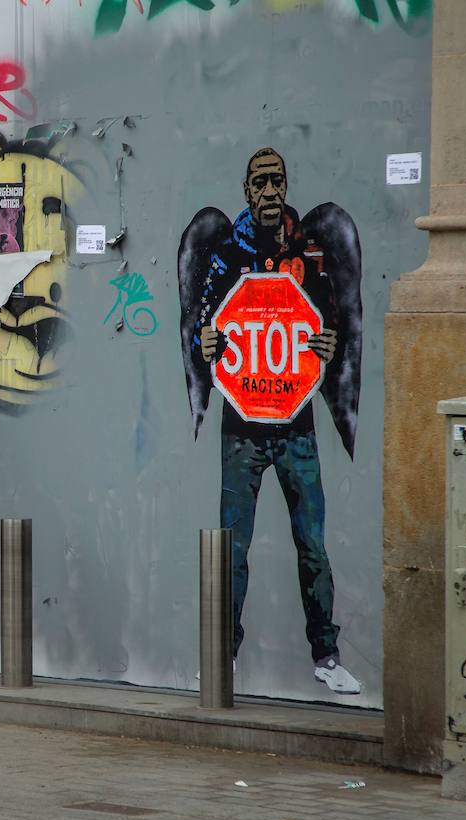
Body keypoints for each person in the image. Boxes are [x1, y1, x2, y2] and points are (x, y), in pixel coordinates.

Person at [177, 148, 364, 695]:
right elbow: (204, 320)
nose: (270, 190)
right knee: (233, 548)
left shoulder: (309, 249)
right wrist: (203, 341)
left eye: (277, 180)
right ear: (246, 189)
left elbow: (328, 318)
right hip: (240, 429)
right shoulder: (227, 254)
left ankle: (326, 656)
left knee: (313, 544)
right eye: (260, 182)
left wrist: (329, 342)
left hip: (297, 425)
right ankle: (222, 657)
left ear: (286, 185)